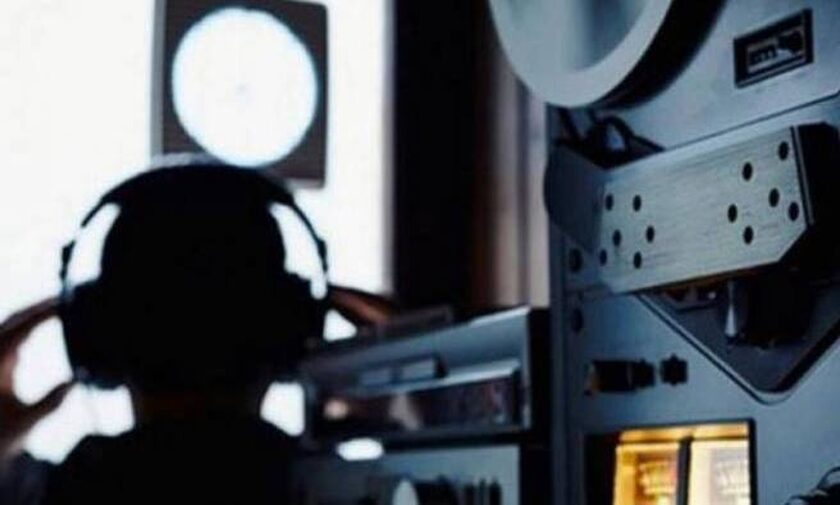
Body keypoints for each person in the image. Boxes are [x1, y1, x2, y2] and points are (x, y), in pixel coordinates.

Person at [0, 163, 393, 504]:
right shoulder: (339, 490)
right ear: (293, 325)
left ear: (96, 333)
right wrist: (413, 403)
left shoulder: (49, 492)